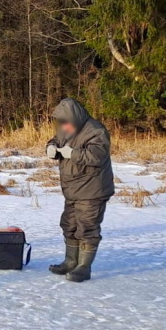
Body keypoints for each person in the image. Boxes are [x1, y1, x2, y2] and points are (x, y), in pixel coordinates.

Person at [46, 98, 114, 282]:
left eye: (65, 122)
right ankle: (70, 261)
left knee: (87, 228)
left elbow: (96, 156)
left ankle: (84, 267)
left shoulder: (96, 131)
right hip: (72, 189)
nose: (62, 126)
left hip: (92, 190)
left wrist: (72, 153)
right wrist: (51, 147)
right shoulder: (66, 128)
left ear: (74, 118)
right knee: (69, 225)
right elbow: (56, 140)